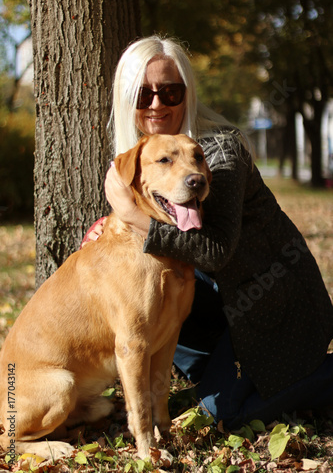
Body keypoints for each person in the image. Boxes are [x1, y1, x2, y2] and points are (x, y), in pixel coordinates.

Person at [85, 34, 333, 430]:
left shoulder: (219, 150)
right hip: (222, 309)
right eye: (142, 94)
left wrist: (130, 213)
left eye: (170, 92)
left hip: (274, 304)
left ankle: (321, 376)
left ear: (187, 93)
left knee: (223, 417)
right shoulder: (141, 156)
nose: (156, 105)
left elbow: (214, 251)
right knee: (197, 400)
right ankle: (221, 376)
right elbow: (155, 240)